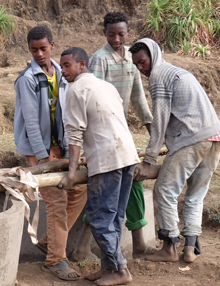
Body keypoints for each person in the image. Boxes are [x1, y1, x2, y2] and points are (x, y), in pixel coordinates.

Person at [129, 38, 220, 263]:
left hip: (192, 139)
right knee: (195, 196)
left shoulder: (159, 76)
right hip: (214, 138)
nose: (140, 68)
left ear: (154, 56)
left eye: (142, 62)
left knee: (164, 190)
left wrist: (149, 160)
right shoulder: (177, 72)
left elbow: (160, 121)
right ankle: (190, 249)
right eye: (136, 64)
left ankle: (169, 248)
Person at [58, 47, 140, 286]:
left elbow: (74, 134)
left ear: (82, 64)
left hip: (106, 160)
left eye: (67, 65)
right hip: (127, 155)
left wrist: (72, 173)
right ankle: (108, 267)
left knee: (99, 216)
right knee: (115, 216)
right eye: (61, 66)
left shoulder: (76, 90)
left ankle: (121, 269)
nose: (63, 71)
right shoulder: (107, 87)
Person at [13, 25, 88, 281]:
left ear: (52, 46)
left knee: (79, 190)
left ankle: (49, 242)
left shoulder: (61, 73)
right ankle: (56, 260)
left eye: (43, 48)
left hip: (61, 147)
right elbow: (31, 122)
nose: (39, 54)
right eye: (33, 50)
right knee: (56, 201)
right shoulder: (27, 80)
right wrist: (42, 158)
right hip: (39, 151)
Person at [87, 11, 155, 259]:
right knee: (104, 190)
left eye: (121, 34)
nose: (116, 39)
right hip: (104, 135)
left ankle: (138, 243)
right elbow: (94, 99)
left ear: (128, 33)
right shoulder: (100, 60)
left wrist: (154, 133)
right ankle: (83, 246)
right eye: (111, 34)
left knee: (134, 181)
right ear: (104, 33)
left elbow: (138, 99)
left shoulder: (131, 59)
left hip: (122, 134)